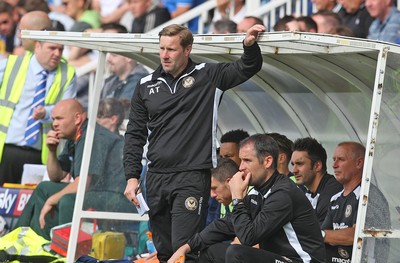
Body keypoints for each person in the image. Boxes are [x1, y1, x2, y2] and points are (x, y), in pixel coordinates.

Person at [123, 23, 265, 262]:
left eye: (171, 49)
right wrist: (132, 176)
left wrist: (249, 46)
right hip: (156, 177)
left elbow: (247, 67)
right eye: (162, 49)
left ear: (187, 50)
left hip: (190, 176)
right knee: (164, 249)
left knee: (183, 249)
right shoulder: (145, 85)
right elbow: (135, 134)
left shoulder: (207, 75)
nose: (165, 55)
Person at [168, 134, 326, 263]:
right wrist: (187, 247)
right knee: (207, 251)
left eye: (247, 160)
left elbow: (248, 238)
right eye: (241, 160)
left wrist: (237, 198)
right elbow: (226, 225)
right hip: (281, 259)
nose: (241, 166)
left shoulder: (283, 194)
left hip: (303, 261)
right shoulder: (259, 191)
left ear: (267, 161)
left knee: (237, 253)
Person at [16, 99, 136, 239]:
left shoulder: (92, 136)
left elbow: (82, 184)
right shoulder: (75, 137)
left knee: (67, 199)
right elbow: (56, 176)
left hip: (118, 198)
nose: (54, 124)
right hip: (98, 193)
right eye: (53, 119)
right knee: (44, 188)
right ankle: (23, 238)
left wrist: (52, 200)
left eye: (60, 119)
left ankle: (65, 250)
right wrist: (52, 151)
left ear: (77, 118)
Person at [0, 35, 77, 185]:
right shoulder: (12, 64)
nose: (57, 53)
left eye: (60, 49)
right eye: (52, 48)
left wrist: (46, 113)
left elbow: (69, 108)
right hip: (6, 149)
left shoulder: (67, 73)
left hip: (40, 154)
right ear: (37, 46)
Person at [321, 141, 390, 262]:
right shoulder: (335, 199)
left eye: (341, 159)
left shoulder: (369, 196)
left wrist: (323, 235)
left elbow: (355, 235)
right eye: (334, 159)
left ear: (359, 163)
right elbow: (324, 235)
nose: (334, 165)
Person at [291, 137, 342, 225]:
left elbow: (316, 235)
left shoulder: (331, 193)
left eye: (299, 164)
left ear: (317, 166)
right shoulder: (309, 192)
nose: (294, 170)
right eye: (293, 164)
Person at [101, 24, 149, 117]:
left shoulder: (141, 81)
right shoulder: (111, 80)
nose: (108, 59)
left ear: (129, 57)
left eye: (114, 55)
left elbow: (121, 113)